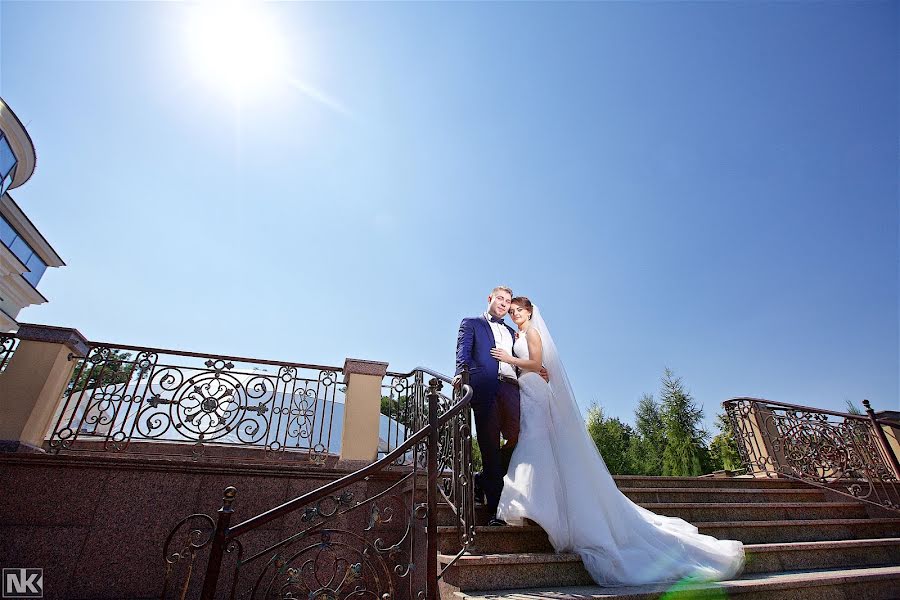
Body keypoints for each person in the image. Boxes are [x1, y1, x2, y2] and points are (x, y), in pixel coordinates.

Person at [491, 296, 745, 586]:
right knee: (534, 446)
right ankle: (533, 506)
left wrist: (512, 360)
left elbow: (536, 362)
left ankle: (530, 507)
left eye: (519, 311)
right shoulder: (517, 334)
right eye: (512, 312)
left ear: (530, 311)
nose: (516, 315)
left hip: (535, 389)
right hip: (526, 389)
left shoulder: (533, 333)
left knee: (533, 444)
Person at [454, 285, 522, 526]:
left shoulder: (513, 331)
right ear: (490, 298)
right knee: (490, 444)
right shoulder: (471, 323)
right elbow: (463, 351)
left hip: (512, 388)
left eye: (508, 300)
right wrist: (460, 374)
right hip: (485, 387)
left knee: (519, 437)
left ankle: (482, 479)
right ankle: (495, 510)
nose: (504, 303)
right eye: (500, 299)